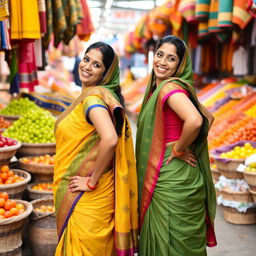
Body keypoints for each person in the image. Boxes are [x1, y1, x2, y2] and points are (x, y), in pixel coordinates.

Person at [53, 41, 138, 256]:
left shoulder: (92, 100)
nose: (88, 66)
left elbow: (110, 139)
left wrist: (91, 181)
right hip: (94, 192)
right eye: (87, 59)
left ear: (106, 73)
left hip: (86, 196)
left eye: (97, 65)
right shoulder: (92, 97)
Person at [136, 35, 217, 256]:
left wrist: (179, 148)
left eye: (171, 59)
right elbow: (204, 118)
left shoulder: (168, 88)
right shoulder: (165, 86)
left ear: (179, 64)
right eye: (160, 54)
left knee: (167, 239)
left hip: (169, 174)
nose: (162, 62)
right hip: (180, 174)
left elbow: (196, 120)